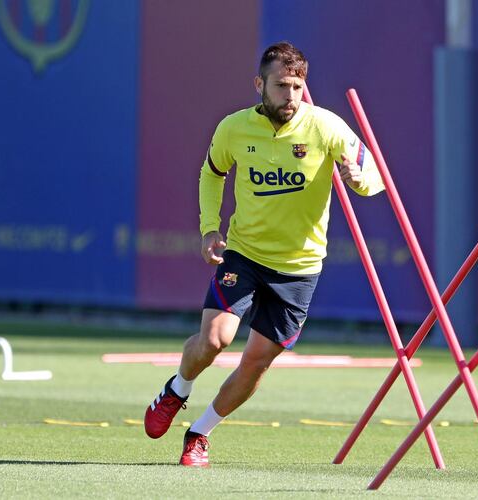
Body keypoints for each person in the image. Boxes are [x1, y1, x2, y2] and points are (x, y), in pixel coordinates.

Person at [143, 41, 384, 467]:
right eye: (281, 86)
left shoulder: (327, 127)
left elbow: (374, 175)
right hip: (245, 254)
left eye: (297, 86)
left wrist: (357, 177)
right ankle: (177, 388)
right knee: (215, 340)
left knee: (256, 364)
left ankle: (199, 434)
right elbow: (211, 174)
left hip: (299, 268)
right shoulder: (233, 128)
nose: (290, 96)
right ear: (259, 84)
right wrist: (208, 229)